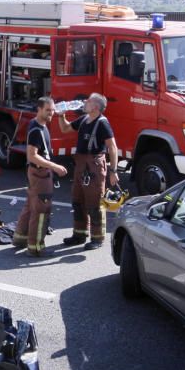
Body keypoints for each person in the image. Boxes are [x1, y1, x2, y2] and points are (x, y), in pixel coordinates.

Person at [58, 93, 119, 251]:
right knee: (78, 201)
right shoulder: (84, 120)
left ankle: (97, 238)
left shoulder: (102, 123)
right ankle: (79, 234)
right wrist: (61, 115)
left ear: (96, 107)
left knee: (95, 203)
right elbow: (64, 128)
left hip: (94, 166)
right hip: (81, 164)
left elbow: (112, 147)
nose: (85, 102)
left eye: (89, 101)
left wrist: (113, 170)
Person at [13, 97, 68, 257]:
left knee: (30, 205)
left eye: (52, 110)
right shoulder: (37, 130)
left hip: (36, 174)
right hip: (40, 174)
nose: (51, 113)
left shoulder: (39, 125)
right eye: (48, 110)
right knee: (41, 210)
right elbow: (32, 156)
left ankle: (20, 238)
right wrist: (55, 167)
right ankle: (36, 246)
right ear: (39, 109)